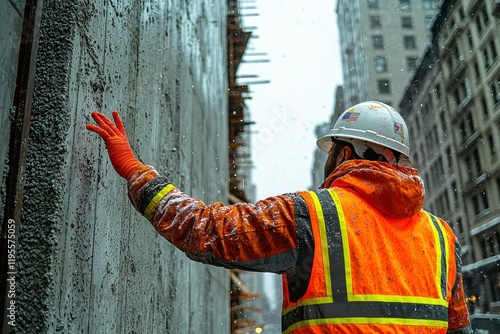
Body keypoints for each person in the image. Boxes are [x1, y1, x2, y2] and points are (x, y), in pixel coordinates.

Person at [87, 101, 472, 333]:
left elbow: (205, 231)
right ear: (394, 160)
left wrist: (137, 172)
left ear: (344, 154)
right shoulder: (441, 237)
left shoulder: (312, 215)